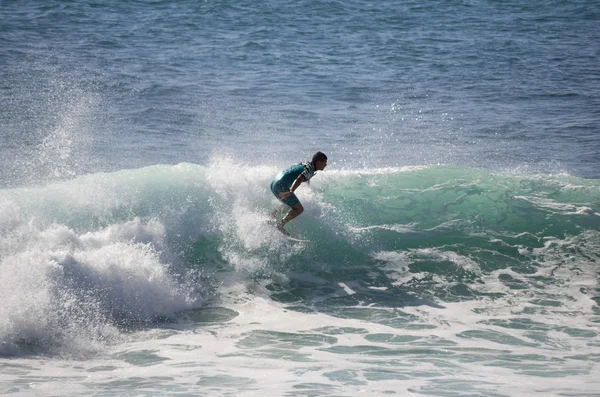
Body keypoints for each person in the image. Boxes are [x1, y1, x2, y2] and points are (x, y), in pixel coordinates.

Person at [270, 151, 328, 235]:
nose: (326, 165)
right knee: (299, 209)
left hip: (274, 183)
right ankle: (280, 225)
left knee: (289, 204)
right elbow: (299, 178)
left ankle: (271, 216)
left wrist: (307, 178)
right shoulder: (309, 170)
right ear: (319, 162)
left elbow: (293, 166)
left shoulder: (305, 164)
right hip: (281, 187)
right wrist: (291, 191)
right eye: (325, 163)